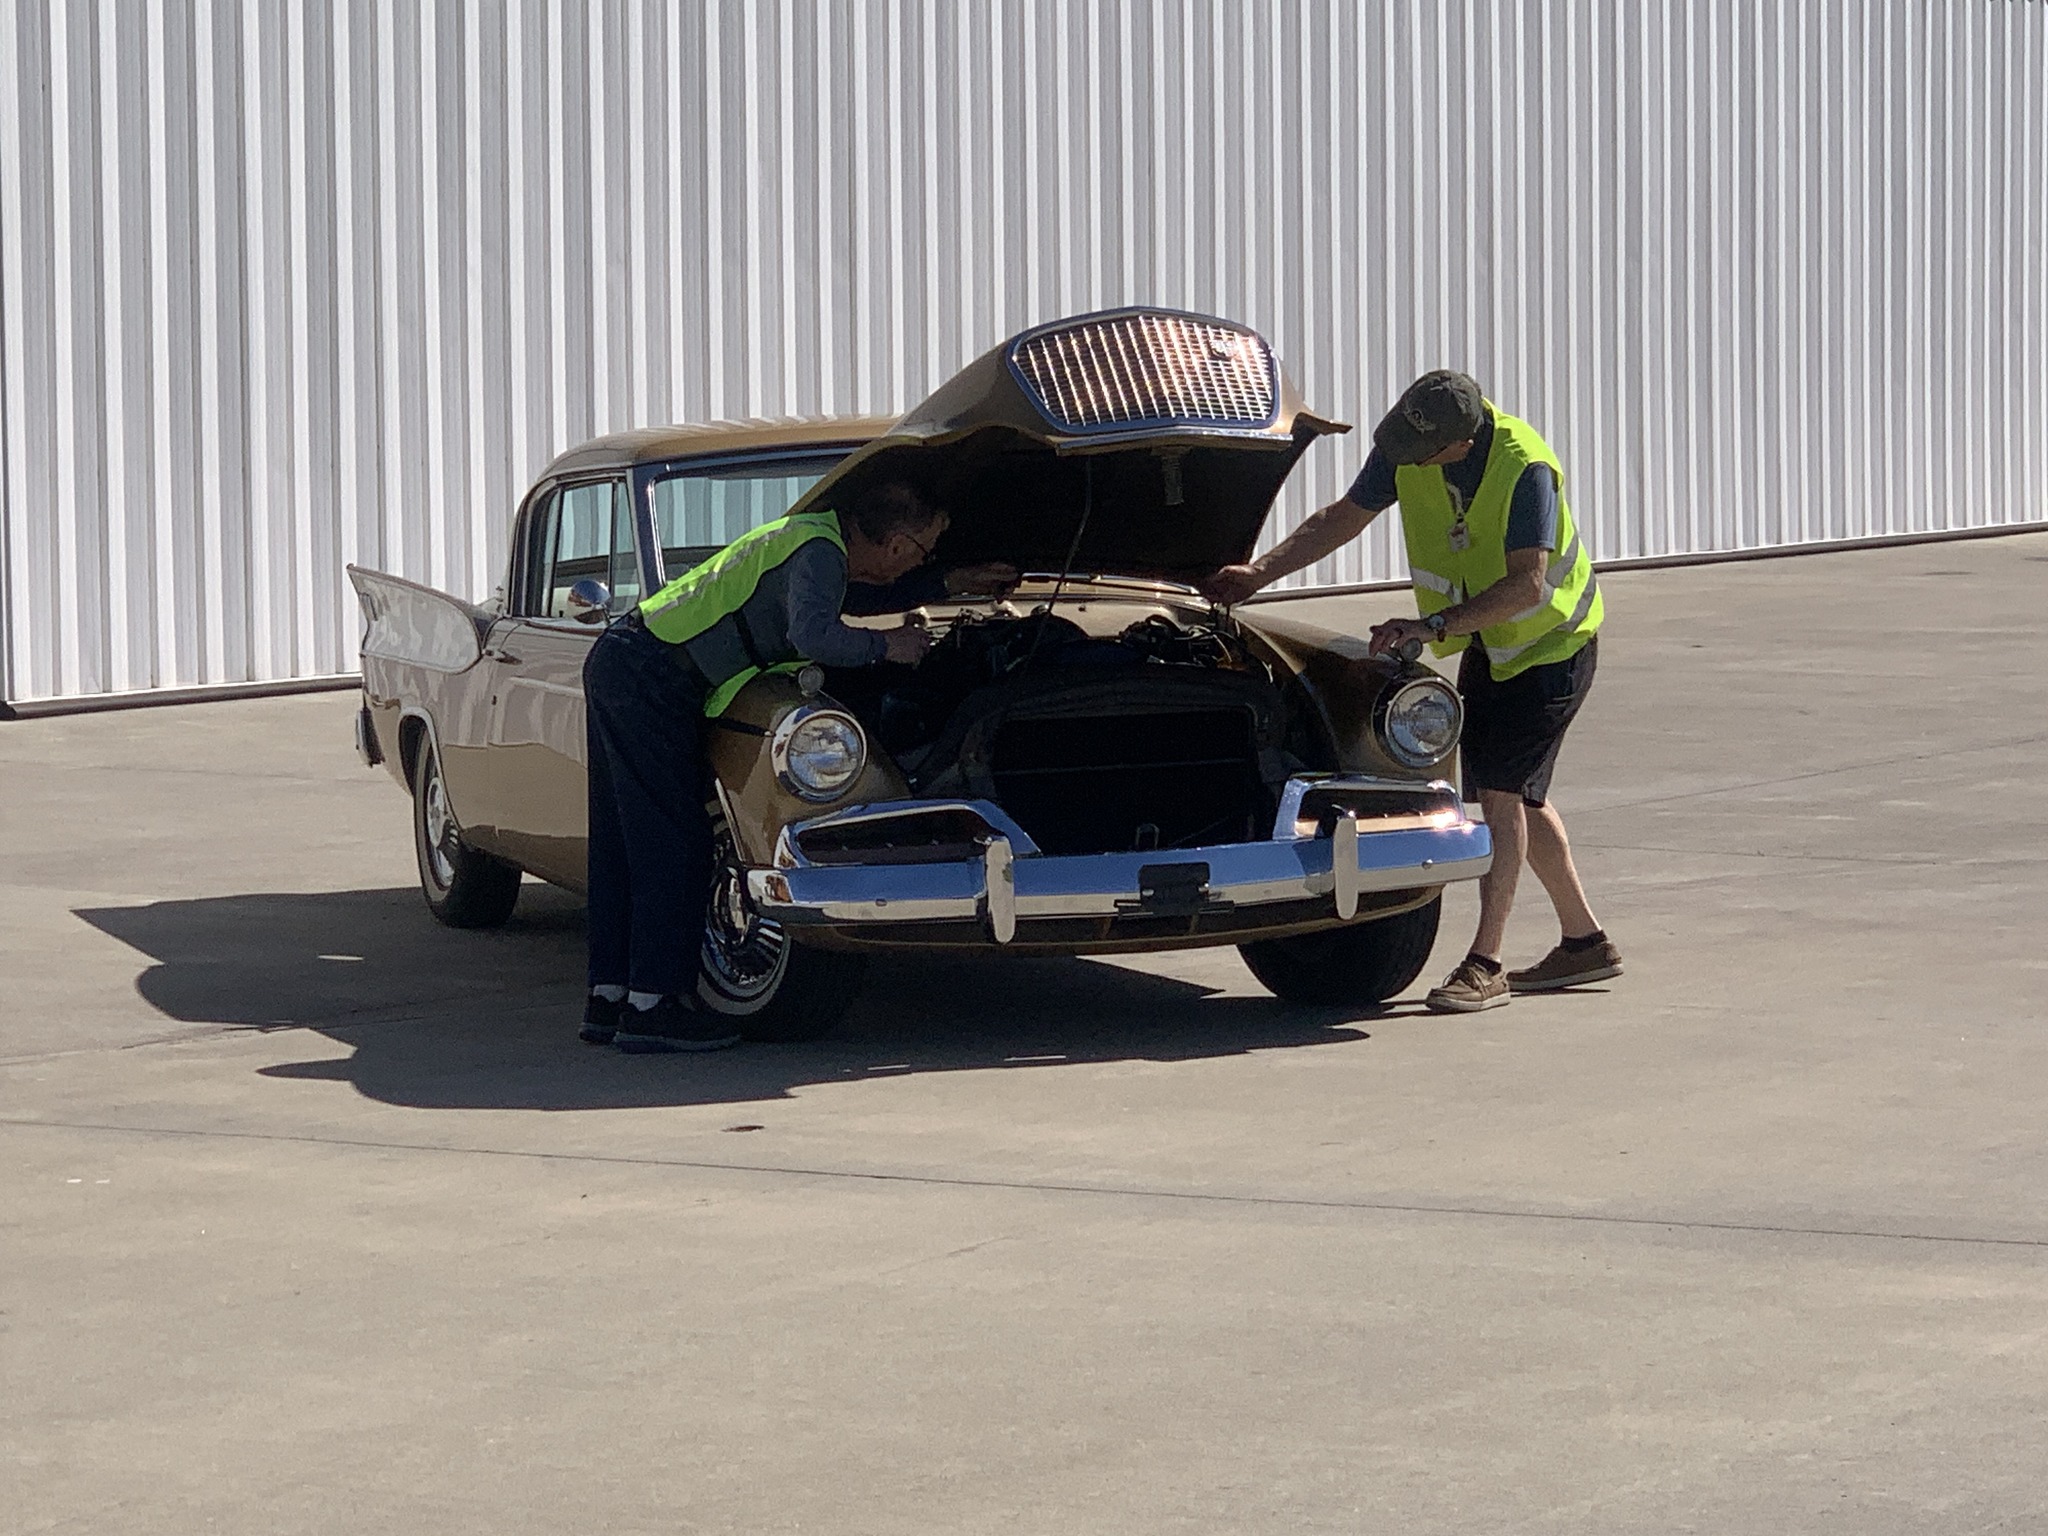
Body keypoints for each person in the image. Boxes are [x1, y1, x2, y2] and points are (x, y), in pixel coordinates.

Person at [1203, 370, 1620, 1013]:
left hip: (1554, 645)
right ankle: (1584, 940)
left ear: (1461, 441)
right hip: (1493, 645)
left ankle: (1485, 962)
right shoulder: (1409, 445)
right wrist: (1260, 572)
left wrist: (1431, 627)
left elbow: (1527, 586)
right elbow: (1343, 518)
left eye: (1420, 454)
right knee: (1520, 796)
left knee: (1502, 794)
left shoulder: (1523, 467)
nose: (1405, 464)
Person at [580, 480, 1014, 1052]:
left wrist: (944, 584)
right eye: (925, 549)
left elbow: (846, 600)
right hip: (651, 677)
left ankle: (611, 999)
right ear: (896, 543)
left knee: (625, 842)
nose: (923, 559)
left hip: (629, 660)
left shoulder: (815, 544)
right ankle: (655, 1007)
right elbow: (813, 632)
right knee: (674, 841)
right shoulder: (818, 552)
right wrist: (889, 648)